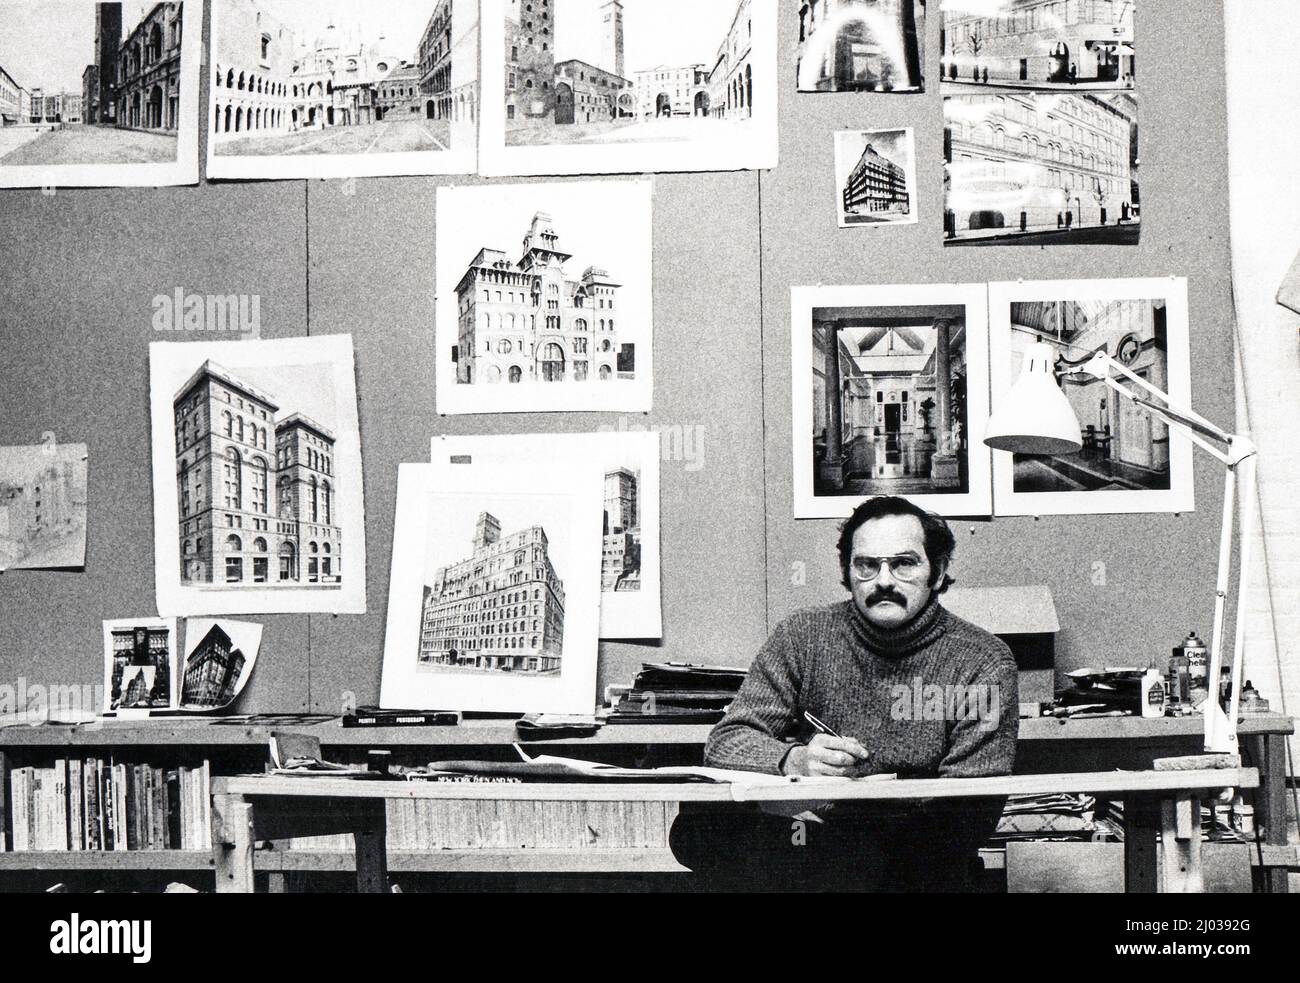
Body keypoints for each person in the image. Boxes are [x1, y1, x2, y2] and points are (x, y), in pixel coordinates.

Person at [669, 496, 1018, 891]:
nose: (884, 581)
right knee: (697, 823)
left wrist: (864, 810)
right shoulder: (802, 635)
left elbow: (973, 808)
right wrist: (794, 760)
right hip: (819, 836)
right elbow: (726, 743)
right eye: (867, 565)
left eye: (904, 563)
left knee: (928, 851)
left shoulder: (983, 659)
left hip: (913, 851)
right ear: (847, 572)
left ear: (936, 573)